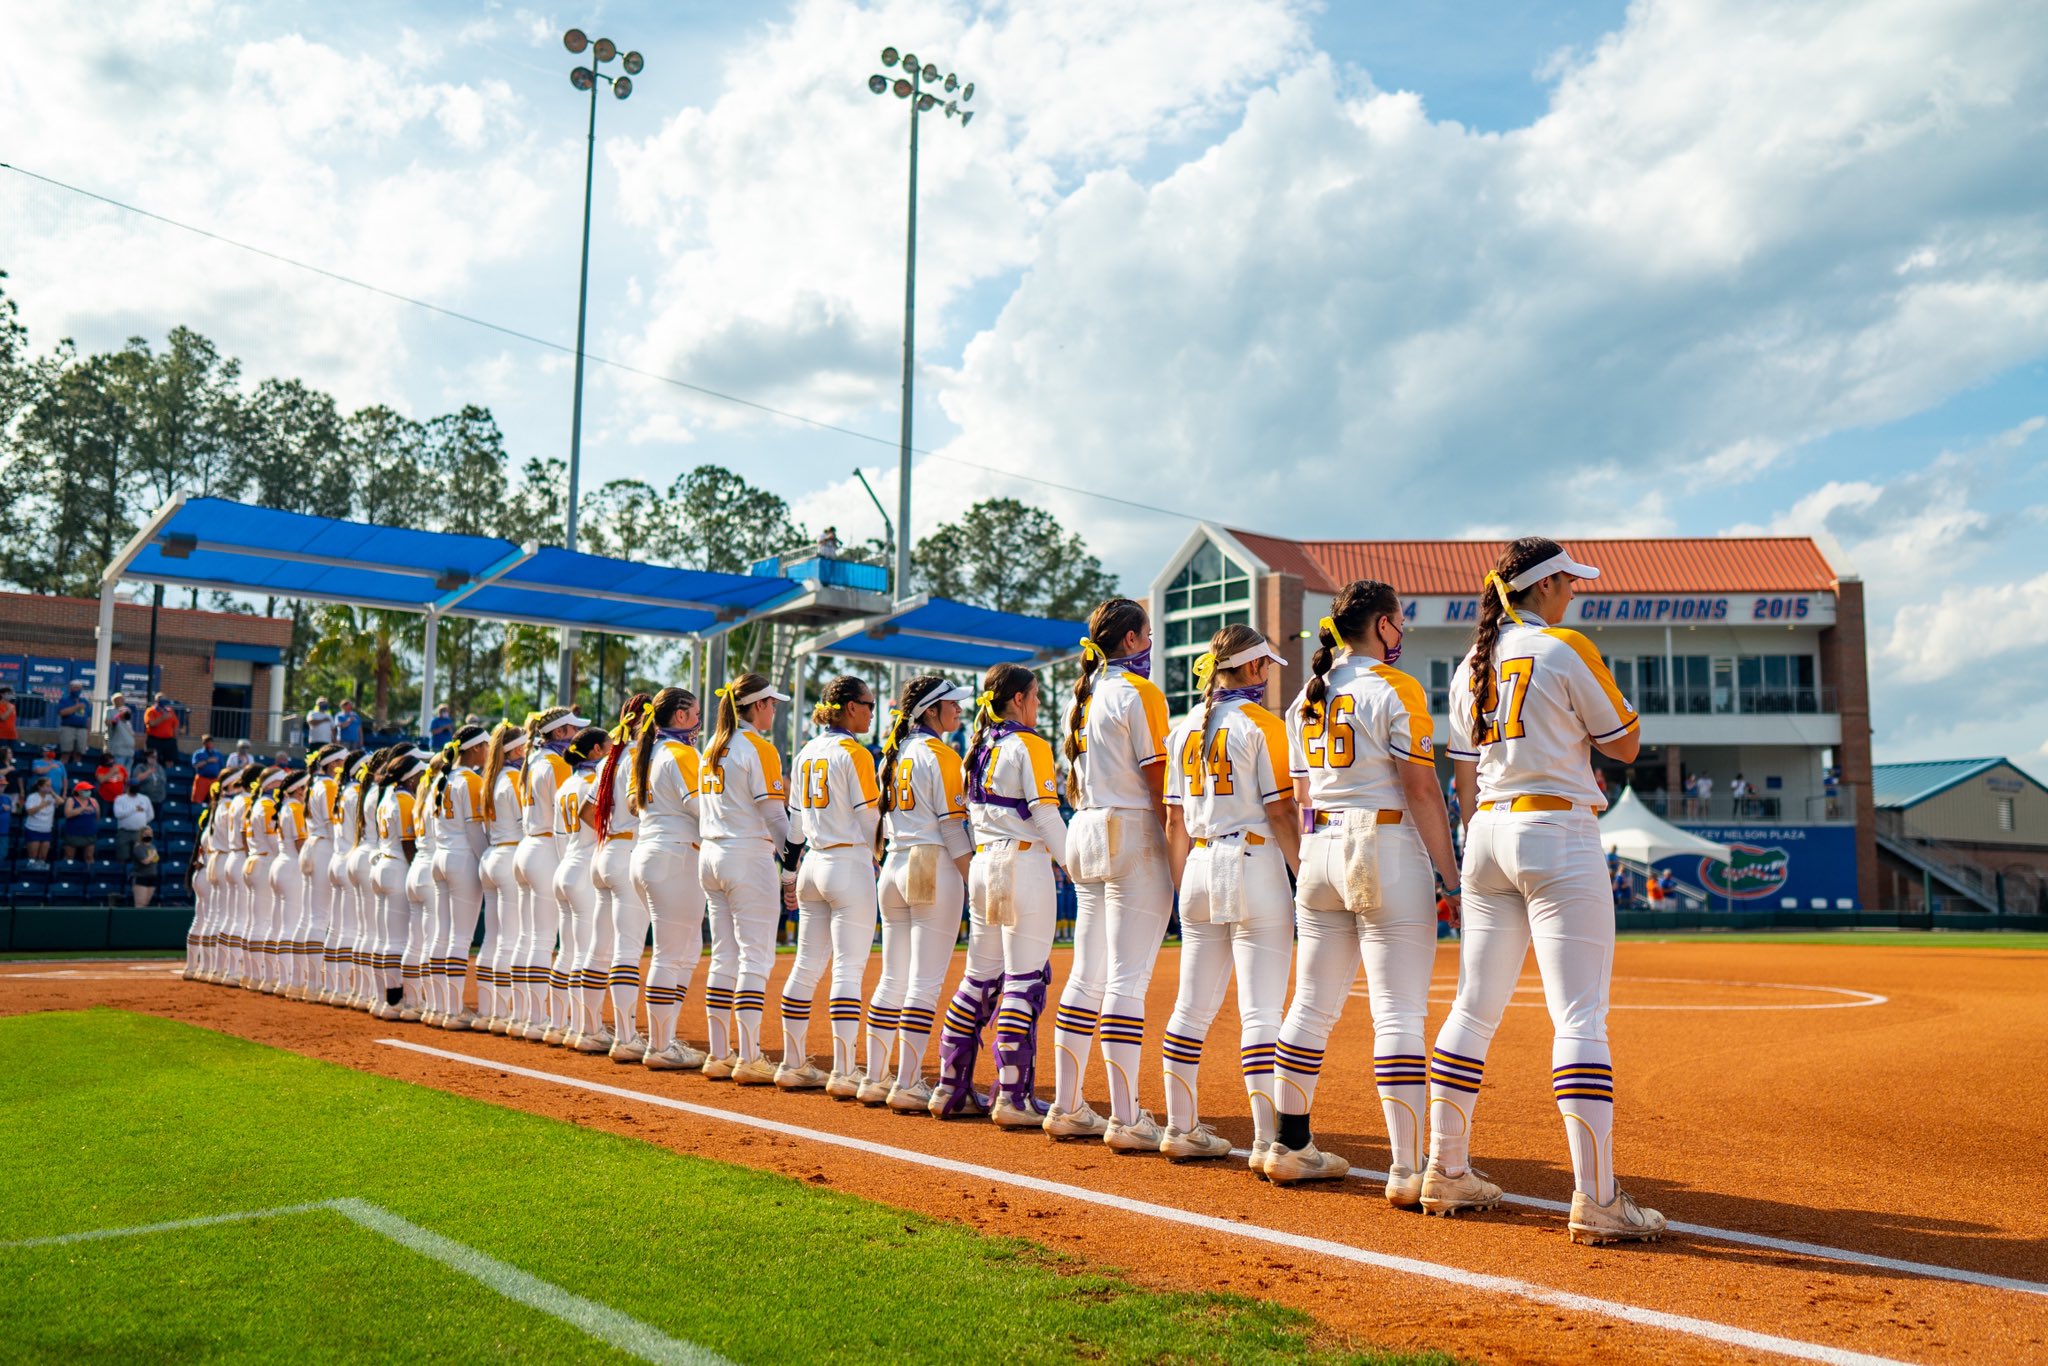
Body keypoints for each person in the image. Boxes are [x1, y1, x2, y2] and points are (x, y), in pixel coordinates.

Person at [1426, 537, 1665, 1244]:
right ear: (1547, 585)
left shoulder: (1470, 662)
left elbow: (1465, 772)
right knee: (1580, 1017)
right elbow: (1625, 744)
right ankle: (1596, 1198)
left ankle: (1445, 1168)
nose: (1575, 592)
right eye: (1568, 581)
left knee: (1472, 1009)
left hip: (1488, 835)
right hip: (1555, 830)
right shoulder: (1564, 647)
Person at [1273, 581, 1464, 1193]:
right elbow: (1421, 788)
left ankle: (1290, 1142)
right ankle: (1407, 1169)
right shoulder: (1394, 687)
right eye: (1399, 621)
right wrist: (1452, 876)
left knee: (1309, 1005)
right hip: (1382, 844)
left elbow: (1303, 796)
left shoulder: (1305, 696)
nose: (1402, 632)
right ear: (1382, 625)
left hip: (1321, 846)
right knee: (1398, 1012)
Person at [1157, 625, 1301, 1165]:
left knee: (1191, 1007)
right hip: (1252, 859)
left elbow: (1175, 819)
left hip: (1197, 861)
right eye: (1264, 666)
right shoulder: (1263, 725)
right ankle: (1269, 1141)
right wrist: (1302, 870)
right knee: (1261, 1011)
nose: (1267, 675)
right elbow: (1283, 810)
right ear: (1254, 668)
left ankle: (1179, 1125)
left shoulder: (1182, 727)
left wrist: (1179, 891)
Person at [1048, 597, 1172, 1147]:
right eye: (1145, 636)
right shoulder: (1139, 692)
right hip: (1130, 830)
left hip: (1087, 827)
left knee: (1087, 973)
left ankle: (1068, 1104)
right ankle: (1125, 1116)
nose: (1149, 645)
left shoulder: (1085, 697)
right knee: (1127, 978)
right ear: (1129, 640)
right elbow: (1158, 783)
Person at [958, 663, 1070, 1130]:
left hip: (984, 862)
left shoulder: (978, 745)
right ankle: (1013, 1096)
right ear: (1019, 699)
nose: (1039, 704)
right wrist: (1076, 868)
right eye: (1036, 696)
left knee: (979, 979)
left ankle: (951, 1084)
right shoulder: (1028, 744)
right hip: (1021, 862)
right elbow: (1045, 816)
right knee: (1025, 981)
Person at [871, 676, 975, 1112]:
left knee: (893, 976)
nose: (959, 710)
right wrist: (976, 878)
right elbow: (953, 827)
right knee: (924, 982)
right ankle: (907, 1081)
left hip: (894, 864)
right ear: (931, 710)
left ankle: (877, 1078)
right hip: (929, 863)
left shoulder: (893, 754)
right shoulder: (940, 754)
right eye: (952, 704)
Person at [780, 676, 885, 1098]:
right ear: (848, 707)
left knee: (805, 966)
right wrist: (879, 859)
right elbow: (869, 821)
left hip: (813, 864)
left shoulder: (806, 751)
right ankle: (844, 1070)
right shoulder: (854, 753)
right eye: (868, 704)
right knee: (847, 969)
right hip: (847, 862)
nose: (872, 711)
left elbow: (795, 827)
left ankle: (792, 1062)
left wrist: (788, 875)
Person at [697, 673, 795, 1083]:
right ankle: (750, 1055)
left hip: (712, 853)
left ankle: (720, 1054)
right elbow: (774, 815)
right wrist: (791, 865)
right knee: (755, 956)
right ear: (757, 705)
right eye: (771, 703)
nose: (774, 710)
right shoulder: (758, 746)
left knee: (724, 955)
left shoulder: (712, 746)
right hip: (746, 854)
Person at [629, 687, 708, 1071]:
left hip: (653, 852)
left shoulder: (653, 751)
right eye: (694, 713)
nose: (698, 721)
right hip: (674, 854)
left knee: (684, 950)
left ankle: (665, 1039)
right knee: (671, 952)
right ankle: (660, 1045)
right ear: (679, 715)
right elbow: (701, 808)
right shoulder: (680, 752)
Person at [511, 708, 587, 1040]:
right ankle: (545, 1020)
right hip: (545, 849)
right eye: (571, 730)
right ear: (559, 733)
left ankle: (528, 1016)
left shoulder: (534, 760)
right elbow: (564, 818)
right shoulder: (555, 764)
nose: (575, 735)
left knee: (530, 938)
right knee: (545, 940)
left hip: (527, 847)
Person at [590, 697, 652, 1058]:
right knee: (627, 948)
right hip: (628, 849)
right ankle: (626, 1037)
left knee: (599, 949)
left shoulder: (609, 759)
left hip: (604, 851)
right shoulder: (638, 757)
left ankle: (588, 1028)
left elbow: (588, 811)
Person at [551, 726, 613, 1049]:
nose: (611, 750)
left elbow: (558, 836)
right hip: (584, 867)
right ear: (594, 752)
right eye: (607, 746)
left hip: (565, 865)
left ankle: (560, 1024)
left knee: (568, 951)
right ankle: (585, 1028)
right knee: (587, 951)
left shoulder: (565, 786)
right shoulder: (594, 782)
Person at [432, 726, 491, 1031]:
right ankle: (453, 1011)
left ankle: (439, 1007)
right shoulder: (469, 779)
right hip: (462, 857)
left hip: (440, 856)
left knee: (442, 934)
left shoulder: (444, 779)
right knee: (459, 937)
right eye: (485, 745)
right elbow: (473, 830)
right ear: (476, 749)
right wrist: (486, 862)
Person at [289, 745, 346, 1003]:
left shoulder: (314, 784)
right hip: (323, 846)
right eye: (342, 761)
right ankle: (315, 984)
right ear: (334, 764)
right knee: (321, 917)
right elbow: (335, 825)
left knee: (309, 917)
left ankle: (300, 982)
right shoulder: (329, 786)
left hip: (312, 845)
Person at [112, 787, 154, 862]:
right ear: (127, 787)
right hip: (124, 832)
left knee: (139, 857)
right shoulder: (120, 799)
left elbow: (151, 815)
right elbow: (118, 814)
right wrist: (134, 809)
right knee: (122, 856)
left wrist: (142, 822)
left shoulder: (144, 798)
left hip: (139, 832)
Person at [62, 782, 100, 863]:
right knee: (69, 856)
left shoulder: (93, 801)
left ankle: (90, 874)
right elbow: (68, 814)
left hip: (89, 834)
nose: (89, 792)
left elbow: (97, 817)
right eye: (86, 790)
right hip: (73, 834)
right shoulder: (71, 800)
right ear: (79, 791)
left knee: (89, 856)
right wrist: (83, 808)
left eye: (89, 790)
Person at [23, 776, 57, 864]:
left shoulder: (51, 797)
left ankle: (40, 875)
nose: (49, 788)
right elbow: (29, 811)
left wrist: (52, 793)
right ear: (40, 786)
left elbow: (61, 802)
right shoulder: (32, 797)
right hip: (33, 829)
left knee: (43, 857)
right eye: (47, 785)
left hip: (46, 830)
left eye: (50, 786)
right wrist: (43, 805)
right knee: (33, 857)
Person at [56, 680, 91, 757]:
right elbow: (61, 712)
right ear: (70, 689)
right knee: (66, 752)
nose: (77, 690)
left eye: (79, 688)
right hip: (68, 728)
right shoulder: (64, 700)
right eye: (75, 688)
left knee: (79, 753)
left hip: (82, 729)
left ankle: (77, 767)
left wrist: (88, 731)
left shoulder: (85, 701)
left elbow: (88, 718)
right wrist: (76, 707)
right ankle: (64, 768)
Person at [130, 825, 161, 907]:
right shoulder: (138, 847)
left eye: (150, 834)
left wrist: (154, 855)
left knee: (146, 903)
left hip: (152, 877)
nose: (148, 836)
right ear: (141, 835)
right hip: (141, 877)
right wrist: (153, 854)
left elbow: (156, 859)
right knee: (140, 903)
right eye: (146, 834)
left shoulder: (152, 846)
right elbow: (145, 861)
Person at [145, 693, 181, 764]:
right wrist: (162, 718)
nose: (163, 701)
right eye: (160, 699)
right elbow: (151, 724)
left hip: (168, 740)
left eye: (164, 699)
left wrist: (175, 739)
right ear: (156, 701)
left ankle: (169, 773)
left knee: (170, 760)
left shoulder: (170, 711)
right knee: (154, 760)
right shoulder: (151, 711)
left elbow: (175, 725)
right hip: (155, 740)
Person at [105, 691, 138, 766]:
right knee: (118, 774)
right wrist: (118, 716)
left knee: (126, 775)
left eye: (122, 700)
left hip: (129, 752)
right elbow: (108, 722)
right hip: (118, 751)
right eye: (119, 700)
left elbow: (131, 732)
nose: (122, 701)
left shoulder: (127, 717)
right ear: (114, 701)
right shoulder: (110, 711)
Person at [191, 736, 225, 803]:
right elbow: (195, 765)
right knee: (197, 801)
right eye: (207, 741)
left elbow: (222, 768)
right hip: (202, 779)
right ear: (203, 743)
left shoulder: (217, 754)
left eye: (210, 741)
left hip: (214, 779)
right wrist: (207, 761)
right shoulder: (198, 753)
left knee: (214, 800)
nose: (209, 743)